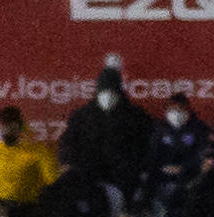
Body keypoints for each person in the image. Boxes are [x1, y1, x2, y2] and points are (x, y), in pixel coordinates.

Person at [59, 63, 152, 202]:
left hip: (125, 180)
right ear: (97, 92)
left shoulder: (136, 116)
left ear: (119, 92)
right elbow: (68, 142)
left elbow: (146, 146)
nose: (107, 96)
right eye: (104, 91)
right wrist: (67, 161)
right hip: (90, 177)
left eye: (112, 91)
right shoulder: (82, 116)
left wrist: (138, 168)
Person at [0, 106, 58, 209]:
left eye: (12, 127)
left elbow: (54, 182)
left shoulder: (38, 152)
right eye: (5, 126)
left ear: (20, 128)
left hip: (28, 209)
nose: (8, 130)